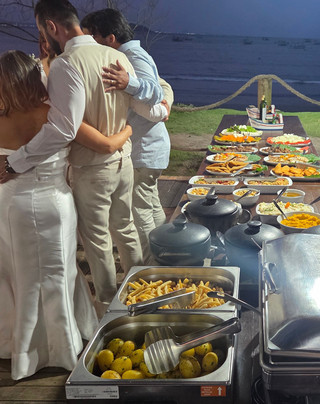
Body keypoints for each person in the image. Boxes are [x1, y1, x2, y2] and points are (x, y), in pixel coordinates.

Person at [0, 0, 165, 316]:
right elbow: (149, 107)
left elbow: (64, 128)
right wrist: (139, 120)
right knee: (126, 229)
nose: (43, 39)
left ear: (51, 26)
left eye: (42, 31)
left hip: (92, 167)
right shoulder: (118, 57)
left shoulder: (67, 64)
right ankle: (145, 295)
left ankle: (109, 310)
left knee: (98, 241)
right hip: (124, 161)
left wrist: (15, 161)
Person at [0, 50, 132, 380]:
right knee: (59, 272)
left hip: (10, 206)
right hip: (54, 205)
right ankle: (63, 344)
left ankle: (18, 346)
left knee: (16, 275)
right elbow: (105, 144)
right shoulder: (56, 116)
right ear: (34, 77)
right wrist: (128, 130)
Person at [81, 8, 173, 264]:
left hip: (144, 150)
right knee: (151, 207)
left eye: (92, 37)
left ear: (110, 38)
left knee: (140, 214)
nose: (89, 43)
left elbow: (155, 92)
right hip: (150, 149)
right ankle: (166, 257)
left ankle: (151, 268)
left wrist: (128, 83)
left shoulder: (131, 56)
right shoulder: (130, 54)